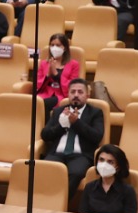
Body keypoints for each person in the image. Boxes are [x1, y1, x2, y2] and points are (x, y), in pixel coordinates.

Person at [40, 77, 105, 205]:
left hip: (80, 155)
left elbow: (97, 136)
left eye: (80, 92)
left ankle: (58, 204)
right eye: (73, 92)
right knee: (46, 169)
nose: (76, 95)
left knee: (75, 172)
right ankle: (44, 203)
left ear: (87, 95)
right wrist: (62, 125)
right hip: (57, 153)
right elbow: (45, 135)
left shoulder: (95, 113)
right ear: (68, 94)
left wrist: (76, 122)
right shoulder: (58, 111)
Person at [77, 143, 138, 213]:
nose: (104, 165)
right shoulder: (89, 187)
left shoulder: (128, 191)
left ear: (118, 167)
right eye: (101, 160)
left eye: (110, 162)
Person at [32, 33, 81, 112]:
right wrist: (48, 75)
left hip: (62, 95)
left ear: (65, 48)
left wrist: (56, 74)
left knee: (44, 104)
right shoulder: (44, 63)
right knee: (34, 102)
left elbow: (73, 85)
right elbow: (37, 83)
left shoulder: (74, 64)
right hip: (46, 93)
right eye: (52, 45)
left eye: (58, 45)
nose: (54, 48)